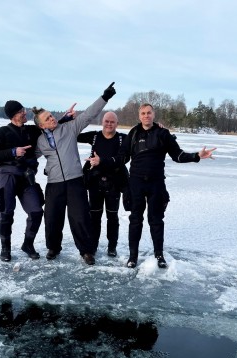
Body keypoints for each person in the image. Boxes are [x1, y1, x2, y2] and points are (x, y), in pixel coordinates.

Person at [112, 103, 217, 269]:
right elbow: (121, 157)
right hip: (136, 183)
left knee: (156, 220)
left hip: (156, 183)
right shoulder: (133, 133)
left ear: (154, 115)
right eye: (143, 113)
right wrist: (103, 162)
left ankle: (159, 255)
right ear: (139, 116)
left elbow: (177, 155)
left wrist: (197, 155)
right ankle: (133, 256)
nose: (146, 116)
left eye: (149, 113)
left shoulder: (162, 133)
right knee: (135, 220)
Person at [32, 82, 116, 266]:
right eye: (47, 118)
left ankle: (86, 251)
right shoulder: (39, 141)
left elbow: (89, 114)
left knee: (80, 217)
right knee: (52, 217)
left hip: (75, 180)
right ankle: (53, 248)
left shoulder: (69, 128)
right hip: (54, 183)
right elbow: (32, 157)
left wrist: (105, 97)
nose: (52, 119)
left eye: (52, 116)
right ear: (41, 125)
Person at [0, 100, 74, 262]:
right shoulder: (3, 132)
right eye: (21, 111)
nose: (25, 112)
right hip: (7, 176)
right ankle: (5, 248)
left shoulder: (31, 131)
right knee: (6, 213)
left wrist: (65, 118)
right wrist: (13, 151)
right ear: (14, 115)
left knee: (36, 211)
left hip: (26, 177)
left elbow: (46, 125)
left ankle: (28, 244)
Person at [77, 111, 129, 257]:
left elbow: (142, 135)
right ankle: (93, 246)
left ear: (117, 124)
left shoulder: (123, 139)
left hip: (114, 184)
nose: (109, 124)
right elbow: (72, 134)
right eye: (107, 121)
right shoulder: (94, 136)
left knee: (112, 217)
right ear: (102, 122)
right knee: (94, 217)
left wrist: (158, 127)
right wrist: (70, 120)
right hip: (95, 182)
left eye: (112, 122)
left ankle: (112, 246)